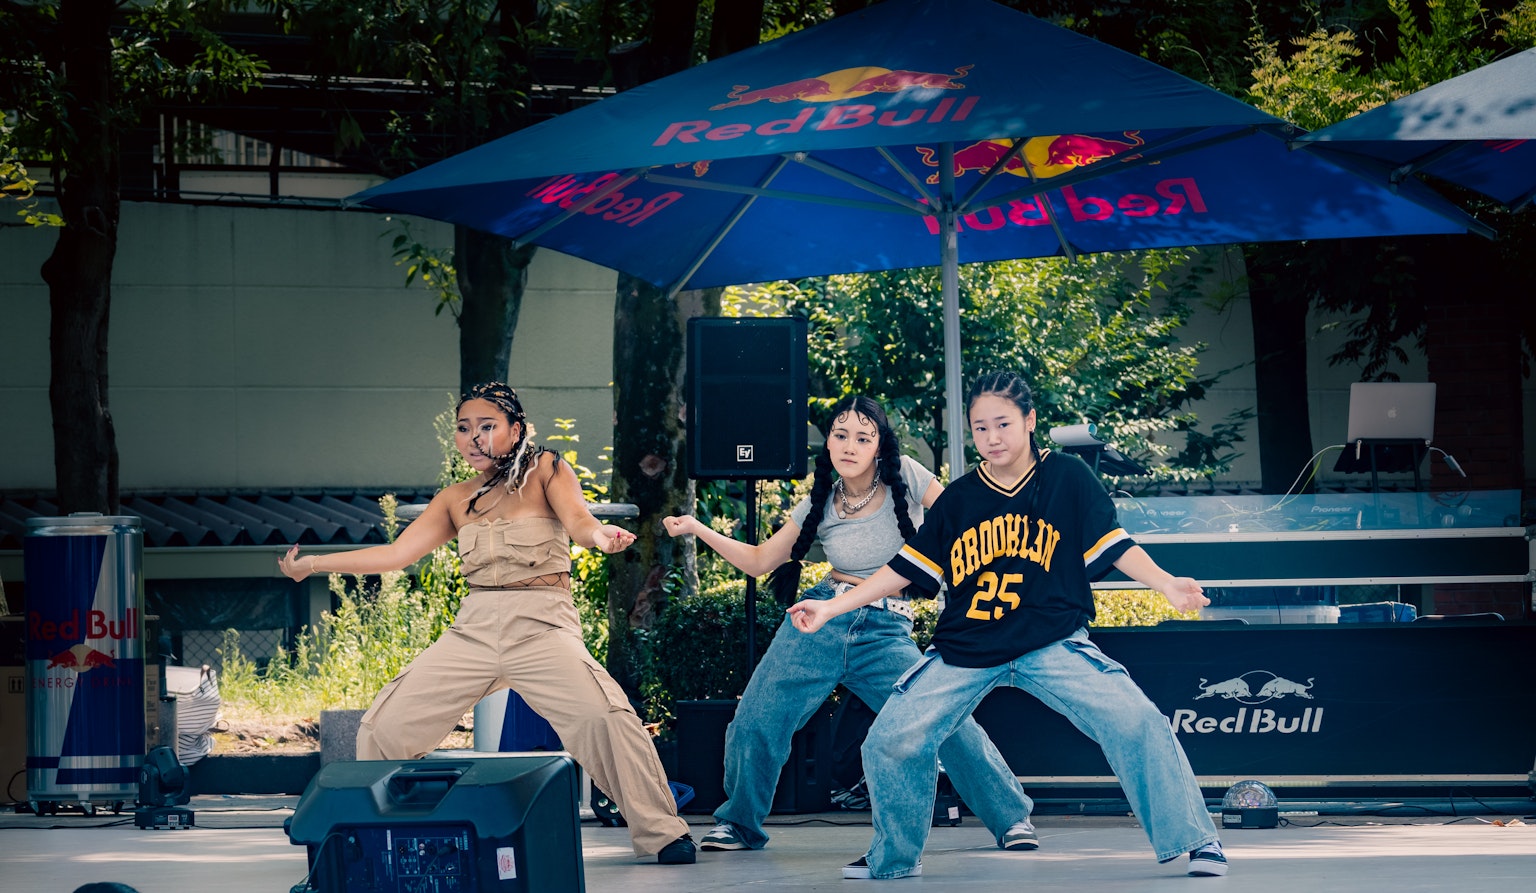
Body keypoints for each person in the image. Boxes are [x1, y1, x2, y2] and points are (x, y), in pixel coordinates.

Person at [790, 372, 1225, 881]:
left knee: (1137, 719)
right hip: (967, 648)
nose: (992, 438)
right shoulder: (959, 499)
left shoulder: (1067, 477)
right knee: (890, 738)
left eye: (1003, 424)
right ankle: (894, 858)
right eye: (980, 428)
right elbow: (903, 569)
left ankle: (1196, 840)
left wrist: (1166, 583)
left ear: (1030, 421)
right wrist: (830, 608)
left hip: (1051, 641)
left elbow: (1114, 544)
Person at [278, 382, 695, 865]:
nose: (474, 438)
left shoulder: (546, 469)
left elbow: (581, 522)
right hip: (473, 630)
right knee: (383, 727)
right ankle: (378, 836)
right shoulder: (455, 498)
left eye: (487, 426)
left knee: (606, 718)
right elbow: (396, 554)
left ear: (516, 430)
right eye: (463, 428)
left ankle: (663, 833)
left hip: (541, 627)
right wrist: (311, 564)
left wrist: (601, 538)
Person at [662, 395, 1036, 858]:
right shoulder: (819, 501)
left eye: (863, 437)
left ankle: (1012, 818)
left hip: (885, 629)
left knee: (944, 718)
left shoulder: (909, 478)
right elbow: (759, 562)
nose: (850, 445)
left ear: (879, 446)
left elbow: (966, 522)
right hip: (820, 618)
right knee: (756, 719)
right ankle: (739, 823)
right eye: (840, 435)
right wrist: (699, 528)